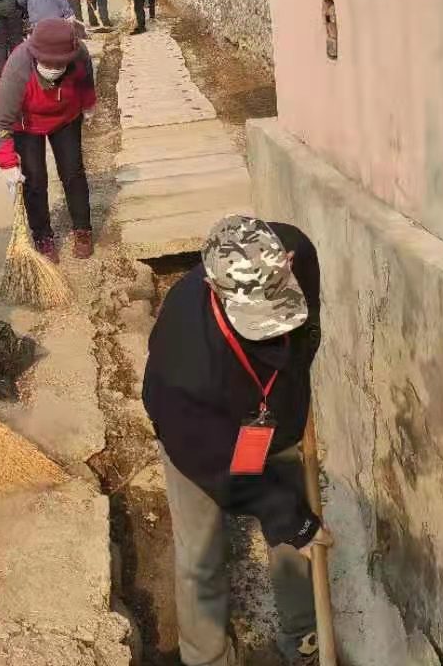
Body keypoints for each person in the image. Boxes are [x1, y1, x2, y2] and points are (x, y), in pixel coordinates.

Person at [142, 216, 331, 666]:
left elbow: (306, 336)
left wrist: (290, 406)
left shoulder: (297, 251)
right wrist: (279, 508)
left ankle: (304, 636)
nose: (276, 330)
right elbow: (221, 470)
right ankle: (206, 656)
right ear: (218, 292)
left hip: (272, 419)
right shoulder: (182, 361)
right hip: (202, 444)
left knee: (295, 529)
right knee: (201, 552)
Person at [0, 18, 96, 261]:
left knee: (73, 171)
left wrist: (88, 103)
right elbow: (0, 121)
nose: (54, 68)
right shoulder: (18, 66)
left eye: (59, 64)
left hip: (67, 117)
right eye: (47, 63)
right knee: (34, 179)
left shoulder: (79, 54)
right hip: (27, 124)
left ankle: (82, 229)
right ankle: (42, 235)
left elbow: (86, 79)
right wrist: (7, 164)